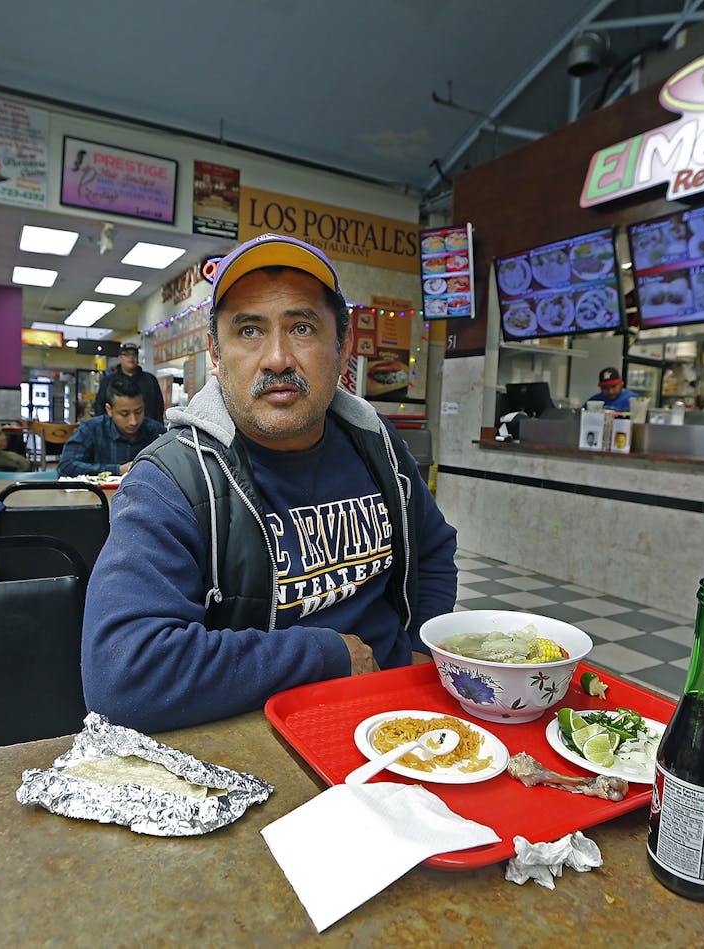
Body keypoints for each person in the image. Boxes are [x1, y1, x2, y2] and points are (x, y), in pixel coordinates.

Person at [81, 233, 458, 732]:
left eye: (302, 327)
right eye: (249, 331)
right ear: (215, 354)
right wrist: (326, 655)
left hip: (394, 719)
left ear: (342, 346)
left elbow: (433, 549)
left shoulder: (377, 444)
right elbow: (123, 675)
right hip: (262, 743)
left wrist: (414, 651)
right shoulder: (172, 482)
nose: (277, 357)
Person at [57, 373, 166, 477]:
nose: (133, 421)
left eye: (138, 412)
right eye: (124, 414)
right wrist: (117, 470)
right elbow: (66, 466)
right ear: (109, 410)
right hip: (97, 495)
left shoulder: (156, 432)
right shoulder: (91, 429)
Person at [94, 342, 165, 425]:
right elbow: (99, 406)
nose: (131, 357)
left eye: (134, 354)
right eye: (126, 354)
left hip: (148, 432)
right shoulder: (108, 381)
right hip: (116, 432)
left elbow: (159, 406)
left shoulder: (150, 379)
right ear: (119, 358)